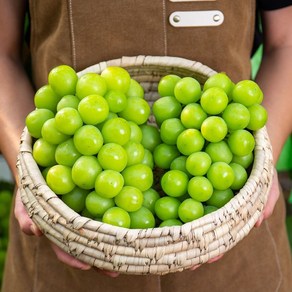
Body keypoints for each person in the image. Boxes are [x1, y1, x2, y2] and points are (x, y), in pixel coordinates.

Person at [1, 0, 292, 291]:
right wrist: (28, 174)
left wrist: (264, 160)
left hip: (234, 234)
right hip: (67, 228)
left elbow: (286, 42)